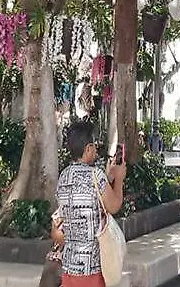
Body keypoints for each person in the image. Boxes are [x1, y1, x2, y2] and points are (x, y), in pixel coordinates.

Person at [55, 121, 126, 287]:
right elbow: (114, 205)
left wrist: (108, 179)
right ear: (87, 149)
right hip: (91, 268)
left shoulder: (63, 176)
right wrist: (120, 180)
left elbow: (86, 201)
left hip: (69, 265)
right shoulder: (95, 175)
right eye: (94, 146)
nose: (96, 150)